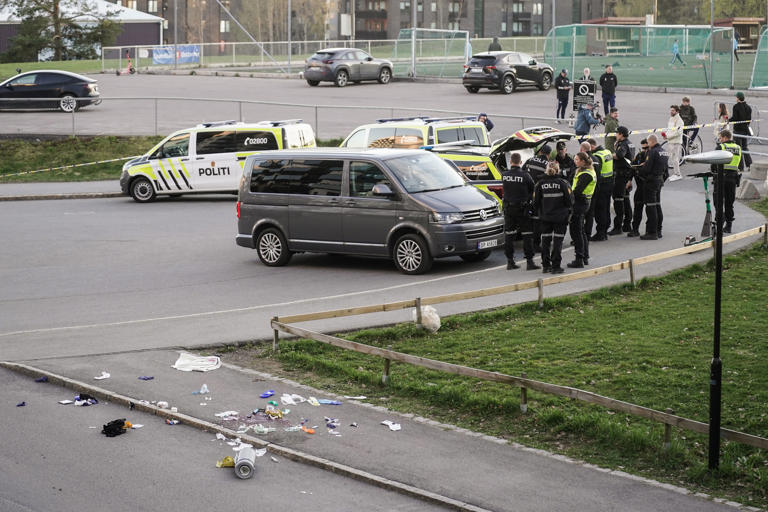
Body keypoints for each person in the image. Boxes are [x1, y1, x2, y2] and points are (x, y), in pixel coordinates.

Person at [533, 161, 573, 274]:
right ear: (558, 169)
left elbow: (535, 202)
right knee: (557, 241)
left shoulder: (539, 184)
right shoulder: (563, 183)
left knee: (545, 241)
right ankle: (556, 266)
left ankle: (546, 266)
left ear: (546, 170)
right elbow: (570, 201)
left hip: (545, 217)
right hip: (560, 218)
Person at [502, 152, 538, 270]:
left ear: (511, 162)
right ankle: (529, 262)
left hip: (508, 209)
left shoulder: (504, 175)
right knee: (527, 235)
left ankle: (510, 261)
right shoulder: (525, 175)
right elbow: (533, 189)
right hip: (522, 209)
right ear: (520, 162)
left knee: (509, 235)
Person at [567, 152, 596, 268]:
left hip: (580, 204)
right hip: (582, 203)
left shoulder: (586, 174)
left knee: (576, 232)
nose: (575, 161)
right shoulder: (582, 171)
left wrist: (568, 196)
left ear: (583, 161)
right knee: (581, 231)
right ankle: (584, 256)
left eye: (577, 159)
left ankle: (579, 258)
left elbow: (578, 191)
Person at [638, 134, 666, 240]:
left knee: (650, 207)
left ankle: (652, 232)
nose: (648, 145)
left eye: (648, 143)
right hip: (659, 180)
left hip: (651, 182)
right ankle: (659, 230)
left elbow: (647, 168)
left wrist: (639, 171)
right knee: (657, 205)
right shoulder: (663, 151)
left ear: (651, 141)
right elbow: (665, 169)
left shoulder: (652, 152)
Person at [714, 129, 742, 233]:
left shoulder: (721, 147)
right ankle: (729, 225)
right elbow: (740, 164)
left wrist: (713, 172)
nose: (720, 140)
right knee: (729, 202)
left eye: (720, 138)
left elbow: (713, 162)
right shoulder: (738, 148)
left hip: (721, 177)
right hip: (733, 178)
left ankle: (719, 224)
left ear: (725, 137)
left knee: (718, 201)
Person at [608, 126, 635, 235]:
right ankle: (627, 224)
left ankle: (618, 227)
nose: (616, 135)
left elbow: (620, 155)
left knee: (618, 200)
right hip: (628, 174)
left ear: (621, 134)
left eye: (617, 133)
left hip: (621, 175)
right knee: (626, 199)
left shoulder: (623, 144)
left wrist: (610, 155)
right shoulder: (630, 143)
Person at [586, 138, 614, 241]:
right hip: (610, 183)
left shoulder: (597, 156)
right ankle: (605, 229)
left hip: (601, 185)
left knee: (600, 210)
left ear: (592, 147)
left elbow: (596, 173)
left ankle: (601, 233)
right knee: (606, 208)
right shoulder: (607, 151)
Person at [627, 138, 649, 237]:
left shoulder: (652, 156)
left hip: (649, 187)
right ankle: (635, 229)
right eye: (643, 148)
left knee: (651, 209)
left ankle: (652, 230)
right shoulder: (639, 155)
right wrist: (629, 180)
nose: (644, 150)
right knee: (637, 209)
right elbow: (632, 167)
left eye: (646, 148)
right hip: (640, 187)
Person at [731, 91, 752, 171]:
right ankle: (750, 165)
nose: (736, 99)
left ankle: (740, 167)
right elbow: (749, 120)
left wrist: (728, 120)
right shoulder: (748, 107)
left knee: (738, 149)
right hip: (745, 130)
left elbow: (735, 118)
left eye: (736, 97)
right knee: (745, 148)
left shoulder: (736, 107)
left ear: (738, 98)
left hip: (737, 130)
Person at [663, 104, 684, 181]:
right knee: (672, 158)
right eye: (670, 110)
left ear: (677, 111)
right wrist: (666, 135)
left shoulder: (679, 121)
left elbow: (678, 132)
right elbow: (669, 129)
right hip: (670, 141)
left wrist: (668, 136)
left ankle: (678, 174)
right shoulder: (671, 118)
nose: (671, 112)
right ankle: (675, 173)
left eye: (673, 110)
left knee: (675, 158)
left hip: (676, 142)